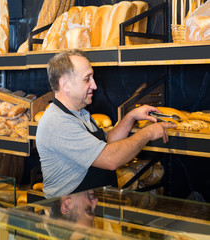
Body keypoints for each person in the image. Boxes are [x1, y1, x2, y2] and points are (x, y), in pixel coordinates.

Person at [36, 49, 176, 199]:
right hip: (70, 214)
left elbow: (106, 143)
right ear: (65, 84)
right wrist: (148, 133)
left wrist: (130, 118)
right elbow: (110, 159)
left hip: (90, 207)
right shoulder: (59, 122)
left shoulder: (80, 113)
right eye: (87, 79)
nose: (94, 85)